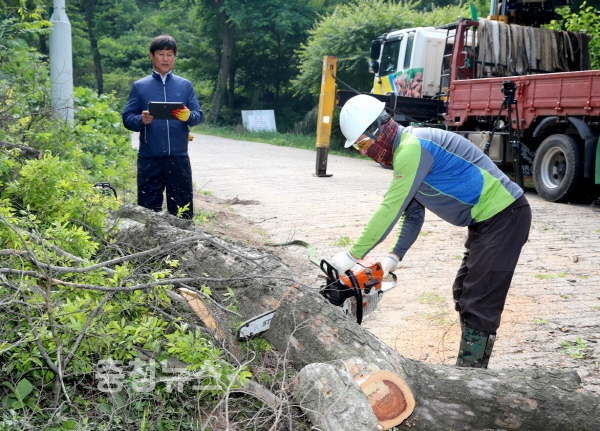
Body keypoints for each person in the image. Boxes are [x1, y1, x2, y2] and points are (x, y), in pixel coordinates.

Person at [330, 94, 532, 368]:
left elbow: (391, 207)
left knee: (479, 301)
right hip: (486, 221)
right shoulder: (407, 151)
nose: (364, 152)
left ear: (379, 129)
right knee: (463, 291)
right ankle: (471, 363)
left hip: (505, 216)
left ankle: (470, 376)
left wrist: (352, 255)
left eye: (363, 144)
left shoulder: (412, 147)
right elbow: (413, 213)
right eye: (358, 147)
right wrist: (393, 258)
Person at [122, 34, 203, 219]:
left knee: (182, 210)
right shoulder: (140, 86)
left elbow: (198, 116)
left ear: (174, 57)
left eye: (169, 54)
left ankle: (183, 237)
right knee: (148, 210)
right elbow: (127, 118)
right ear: (151, 56)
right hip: (150, 157)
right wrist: (141, 120)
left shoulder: (185, 85)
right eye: (161, 54)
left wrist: (188, 116)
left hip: (178, 156)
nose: (165, 59)